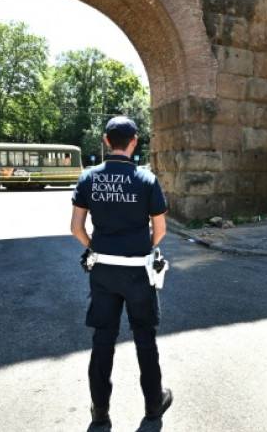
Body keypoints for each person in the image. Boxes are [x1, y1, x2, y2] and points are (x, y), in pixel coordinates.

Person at [70, 115, 173, 427]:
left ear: (105, 142)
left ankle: (100, 412)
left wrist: (96, 247)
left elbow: (76, 227)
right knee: (145, 337)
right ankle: (153, 405)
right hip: (137, 272)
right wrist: (142, 250)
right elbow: (161, 229)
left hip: (103, 270)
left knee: (103, 339)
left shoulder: (88, 177)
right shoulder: (146, 180)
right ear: (134, 142)